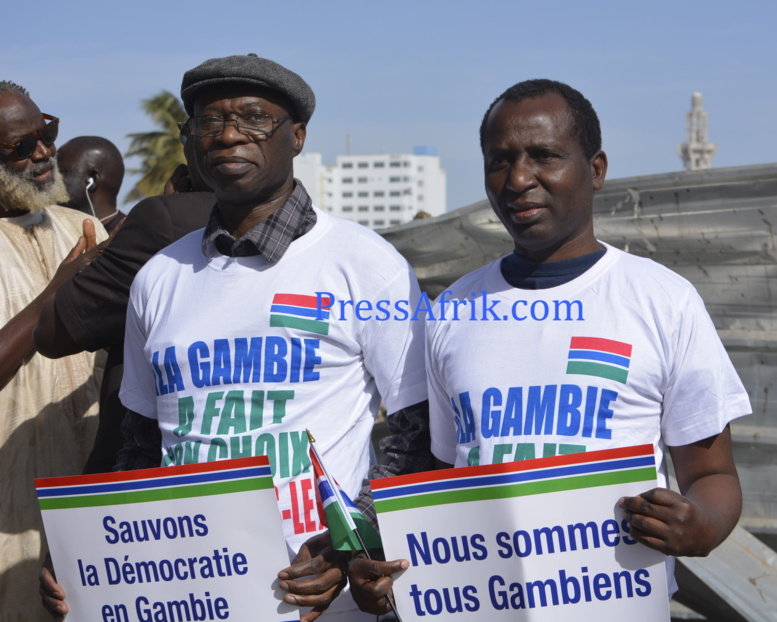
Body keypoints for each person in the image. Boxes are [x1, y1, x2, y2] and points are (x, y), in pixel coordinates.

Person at [40, 54, 428, 622]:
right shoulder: (159, 277)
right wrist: (88, 551)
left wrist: (352, 546)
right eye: (207, 121)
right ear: (187, 140)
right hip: (184, 592)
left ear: (296, 137)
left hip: (322, 603)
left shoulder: (365, 265)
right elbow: (140, 446)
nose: (227, 135)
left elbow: (417, 437)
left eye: (253, 118)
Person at [351, 79, 752, 615]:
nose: (518, 179)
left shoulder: (663, 301)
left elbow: (712, 475)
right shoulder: (452, 310)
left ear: (597, 169)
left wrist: (699, 525)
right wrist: (389, 567)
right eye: (499, 160)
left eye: (544, 156)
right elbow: (445, 477)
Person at [34, 127, 215, 475]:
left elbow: (53, 335)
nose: (48, 166)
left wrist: (66, 278)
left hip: (150, 466)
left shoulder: (155, 223)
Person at [0, 80, 107, 621]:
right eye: (21, 147)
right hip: (7, 519)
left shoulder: (83, 229)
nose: (44, 154)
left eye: (46, 134)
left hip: (91, 505)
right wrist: (55, 293)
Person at [56, 136, 126, 232]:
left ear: (92, 180)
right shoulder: (58, 232)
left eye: (60, 172)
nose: (51, 179)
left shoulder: (132, 239)